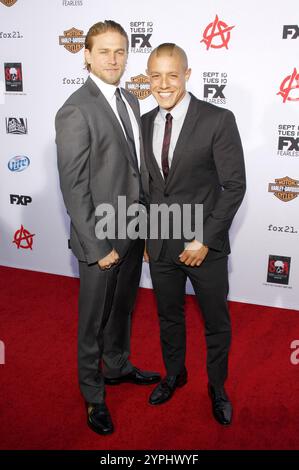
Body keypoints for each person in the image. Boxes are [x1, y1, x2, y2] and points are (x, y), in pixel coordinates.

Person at [55, 20, 160, 436]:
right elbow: (74, 185)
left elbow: (135, 171)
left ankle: (116, 367)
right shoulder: (75, 109)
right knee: (93, 321)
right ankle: (93, 393)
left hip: (132, 230)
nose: (113, 59)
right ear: (86, 55)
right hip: (99, 237)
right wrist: (98, 246)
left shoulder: (132, 100)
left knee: (122, 309)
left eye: (120, 52)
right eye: (104, 52)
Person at [142, 43, 246, 425]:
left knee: (216, 321)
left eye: (172, 74)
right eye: (155, 75)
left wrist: (204, 240)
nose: (163, 84)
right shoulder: (145, 121)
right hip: (162, 244)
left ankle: (217, 387)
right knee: (168, 316)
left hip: (205, 246)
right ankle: (174, 374)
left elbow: (234, 186)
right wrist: (147, 239)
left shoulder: (218, 119)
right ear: (148, 78)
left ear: (187, 74)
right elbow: (150, 188)